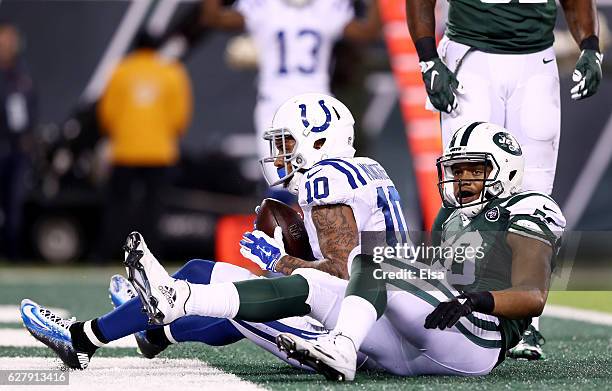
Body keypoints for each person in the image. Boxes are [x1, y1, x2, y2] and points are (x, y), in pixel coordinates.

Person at [119, 122, 564, 381]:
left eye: (474, 170)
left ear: (505, 169)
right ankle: (178, 303)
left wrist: (478, 299)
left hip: (477, 338)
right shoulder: (450, 215)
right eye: (458, 170)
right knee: (309, 285)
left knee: (366, 258)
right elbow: (435, 270)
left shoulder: (527, 207)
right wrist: (288, 261)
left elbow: (533, 295)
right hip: (424, 335)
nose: (463, 180)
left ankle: (340, 347)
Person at [20, 93, 408, 370]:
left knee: (242, 302)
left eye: (287, 143)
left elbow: (344, 271)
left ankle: (85, 338)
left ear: (319, 140)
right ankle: (151, 330)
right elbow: (352, 264)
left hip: (357, 334)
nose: (280, 154)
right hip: (380, 319)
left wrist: (280, 260)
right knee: (201, 274)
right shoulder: (362, 169)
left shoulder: (325, 177)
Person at [406, 0, 600, 359]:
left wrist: (590, 46)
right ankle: (457, 297)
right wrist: (428, 57)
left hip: (536, 60)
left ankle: (523, 321)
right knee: (467, 185)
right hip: (472, 54)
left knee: (536, 196)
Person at [201, 0, 380, 163]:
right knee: (281, 179)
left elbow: (367, 32)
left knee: (323, 178)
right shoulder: (265, 5)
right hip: (279, 103)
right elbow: (213, 18)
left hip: (316, 106)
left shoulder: (326, 5)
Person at [96, 34, 192, 259]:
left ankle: (113, 252)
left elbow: (107, 114)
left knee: (119, 206)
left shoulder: (120, 71)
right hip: (159, 153)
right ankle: (152, 254)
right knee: (153, 208)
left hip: (125, 152)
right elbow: (180, 116)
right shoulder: (171, 72)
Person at [0, 22, 36, 259]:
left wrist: (27, 137)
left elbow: (29, 110)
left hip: (16, 150)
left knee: (15, 204)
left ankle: (12, 253)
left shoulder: (21, 75)